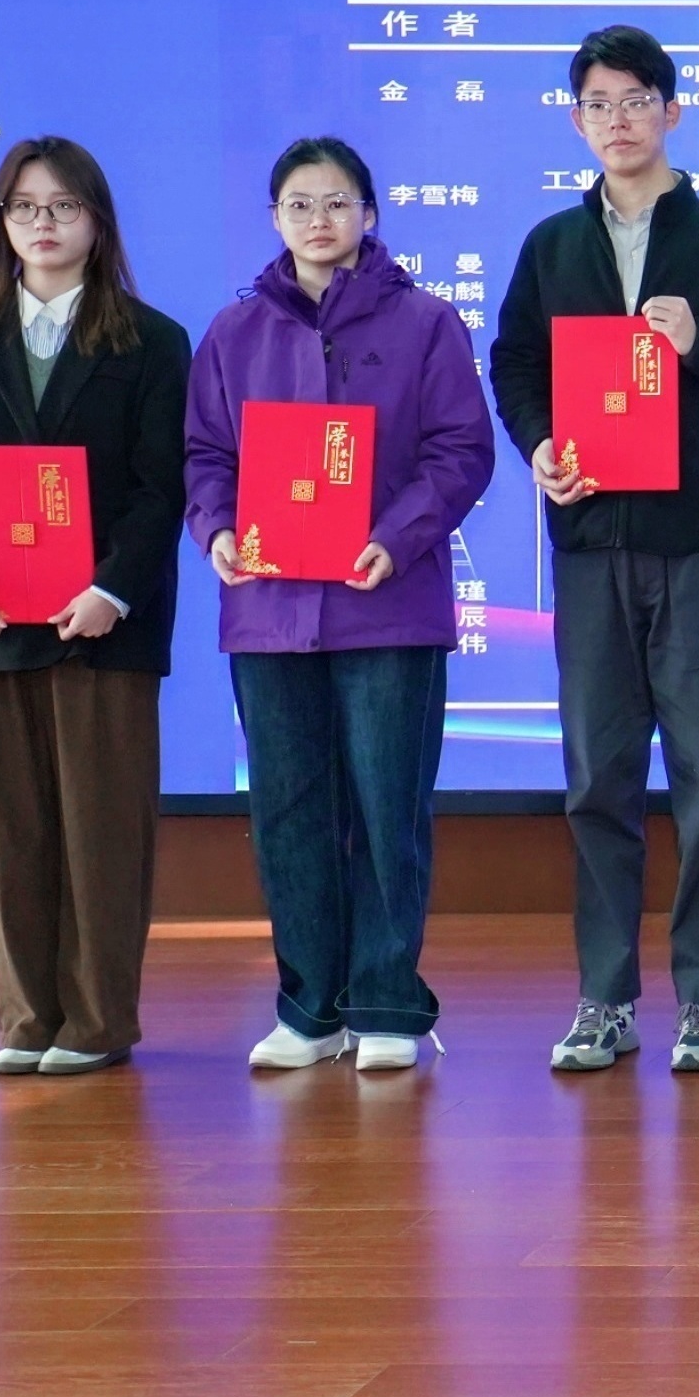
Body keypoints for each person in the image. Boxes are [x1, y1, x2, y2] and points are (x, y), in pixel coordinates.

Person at [487, 25, 699, 1077]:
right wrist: (539, 444)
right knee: (598, 779)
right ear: (576, 120)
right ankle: (604, 997)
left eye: (636, 101)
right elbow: (514, 365)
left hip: (697, 546)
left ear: (672, 111)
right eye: (598, 104)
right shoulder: (552, 246)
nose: (617, 120)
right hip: (589, 545)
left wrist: (698, 342)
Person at [183, 138, 498, 1075]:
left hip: (386, 603)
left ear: (370, 213)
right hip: (269, 610)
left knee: (387, 806)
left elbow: (461, 450)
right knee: (288, 812)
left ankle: (389, 1004)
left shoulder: (426, 322)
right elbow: (205, 455)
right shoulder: (234, 331)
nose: (318, 220)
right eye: (299, 204)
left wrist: (395, 538)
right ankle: (309, 1009)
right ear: (274, 219)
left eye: (336, 202)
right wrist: (217, 530)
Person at [0, 138, 190, 1077]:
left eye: (63, 206)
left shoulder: (151, 341)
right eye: (24, 208)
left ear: (97, 221)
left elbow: (161, 487)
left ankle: (97, 1024)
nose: (44, 223)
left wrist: (112, 589)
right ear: (2, 224)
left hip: (101, 627)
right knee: (12, 834)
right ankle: (26, 1019)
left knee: (103, 832)